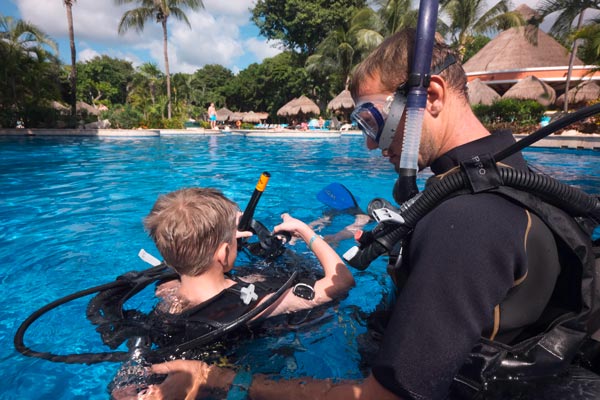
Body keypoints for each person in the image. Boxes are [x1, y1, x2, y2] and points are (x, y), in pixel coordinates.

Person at [138, 28, 599, 400]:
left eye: (371, 122)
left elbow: (388, 396)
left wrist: (224, 381)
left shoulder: (467, 221)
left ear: (431, 96)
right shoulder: (503, 177)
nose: (368, 144)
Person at [144, 187, 354, 322]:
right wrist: (305, 231)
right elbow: (342, 281)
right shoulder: (254, 307)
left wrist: (224, 237)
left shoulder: (166, 292)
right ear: (224, 253)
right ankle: (354, 223)